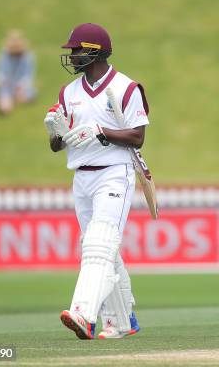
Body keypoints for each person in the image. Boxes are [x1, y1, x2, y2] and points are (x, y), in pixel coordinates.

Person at [44, 23, 149, 339]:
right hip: (82, 177)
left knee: (99, 244)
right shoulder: (69, 92)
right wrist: (55, 132)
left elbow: (138, 136)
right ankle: (121, 321)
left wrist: (102, 132)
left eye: (76, 50)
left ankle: (84, 314)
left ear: (94, 52)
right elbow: (57, 144)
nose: (72, 56)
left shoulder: (126, 88)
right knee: (105, 251)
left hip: (114, 173)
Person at [0, 30, 36, 115]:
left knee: (26, 95)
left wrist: (21, 86)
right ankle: (6, 103)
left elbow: (29, 76)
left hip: (21, 87)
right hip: (6, 86)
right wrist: (3, 81)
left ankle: (13, 100)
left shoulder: (28, 57)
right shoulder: (3, 57)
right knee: (5, 96)